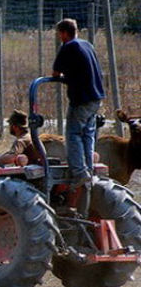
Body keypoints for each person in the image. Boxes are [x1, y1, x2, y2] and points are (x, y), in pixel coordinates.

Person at [52, 17, 105, 212]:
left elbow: (56, 73)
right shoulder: (86, 44)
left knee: (73, 133)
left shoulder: (68, 47)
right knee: (87, 134)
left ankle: (79, 171)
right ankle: (88, 168)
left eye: (59, 34)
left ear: (64, 33)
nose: (59, 37)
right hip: (96, 97)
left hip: (81, 99)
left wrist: (63, 78)